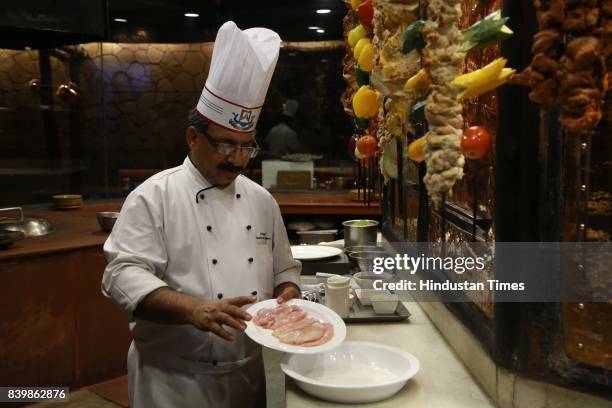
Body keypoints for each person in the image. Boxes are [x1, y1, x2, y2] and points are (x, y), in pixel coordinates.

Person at [102, 21, 301, 408]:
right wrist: (194, 309)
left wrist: (288, 294)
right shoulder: (154, 196)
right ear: (193, 137)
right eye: (225, 144)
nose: (238, 160)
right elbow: (121, 276)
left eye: (247, 147)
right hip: (175, 382)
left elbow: (284, 271)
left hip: (248, 375)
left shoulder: (262, 201)